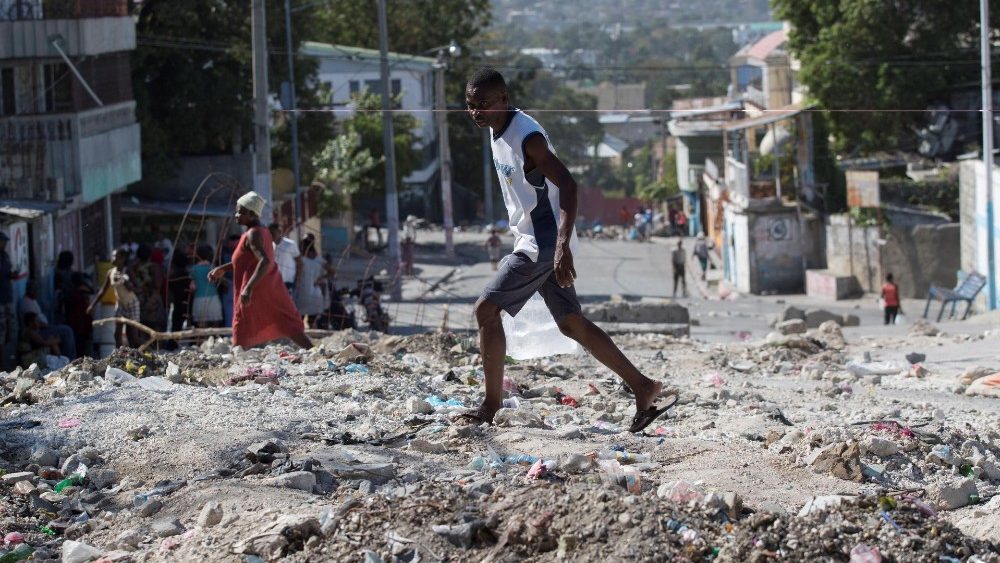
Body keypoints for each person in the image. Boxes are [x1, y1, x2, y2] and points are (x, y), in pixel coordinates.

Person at [461, 67, 674, 432]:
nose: (476, 112)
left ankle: (491, 405)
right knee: (571, 323)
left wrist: (561, 246)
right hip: (533, 237)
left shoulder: (528, 138)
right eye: (469, 105)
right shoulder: (497, 131)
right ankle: (644, 387)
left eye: (483, 104)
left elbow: (569, 186)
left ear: (504, 100)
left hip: (542, 242)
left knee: (485, 310)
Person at [209, 192, 312, 349]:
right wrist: (223, 269)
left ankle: (240, 359)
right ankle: (311, 350)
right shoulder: (260, 231)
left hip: (256, 287)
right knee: (282, 319)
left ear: (251, 214)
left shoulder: (254, 234)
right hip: (266, 285)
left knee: (243, 323)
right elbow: (245, 261)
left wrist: (248, 289)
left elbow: (265, 261)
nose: (236, 215)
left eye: (240, 212)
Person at [88, 248, 141, 348]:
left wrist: (129, 286)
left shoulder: (127, 271)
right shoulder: (111, 273)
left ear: (122, 259)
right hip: (120, 305)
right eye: (112, 256)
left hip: (131, 304)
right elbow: (103, 291)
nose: (112, 258)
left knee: (133, 338)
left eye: (115, 256)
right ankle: (119, 356)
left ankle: (150, 351)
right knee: (117, 333)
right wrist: (92, 305)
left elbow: (138, 288)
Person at [20, 281, 75, 358]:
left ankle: (67, 358)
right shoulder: (26, 304)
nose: (37, 293)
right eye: (36, 291)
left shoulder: (32, 300)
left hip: (43, 327)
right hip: (41, 329)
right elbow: (42, 342)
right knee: (66, 331)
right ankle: (68, 357)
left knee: (66, 329)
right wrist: (56, 339)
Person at [133, 244, 166, 332]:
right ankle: (158, 346)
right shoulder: (154, 267)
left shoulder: (134, 268)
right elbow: (158, 284)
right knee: (156, 329)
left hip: (140, 300)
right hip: (154, 302)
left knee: (142, 329)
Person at [189, 245, 223, 328]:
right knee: (215, 328)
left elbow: (192, 287)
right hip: (213, 299)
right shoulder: (213, 268)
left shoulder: (194, 269)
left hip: (199, 299)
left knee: (202, 329)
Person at [295, 239, 326, 326]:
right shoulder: (317, 264)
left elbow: (296, 278)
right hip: (315, 295)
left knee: (299, 321)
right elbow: (323, 278)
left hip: (301, 295)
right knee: (311, 322)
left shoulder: (298, 262)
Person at [0, 232, 18, 369]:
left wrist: (12, 275)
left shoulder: (5, 256)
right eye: (2, 241)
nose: (4, 244)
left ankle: (10, 358)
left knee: (12, 327)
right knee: (2, 328)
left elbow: (8, 273)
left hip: (8, 296)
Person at [268, 223, 300, 294]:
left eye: (273, 233)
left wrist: (297, 280)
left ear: (279, 232)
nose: (271, 235)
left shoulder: (290, 244)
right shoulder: (269, 246)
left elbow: (299, 263)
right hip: (274, 282)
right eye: (269, 233)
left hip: (288, 282)